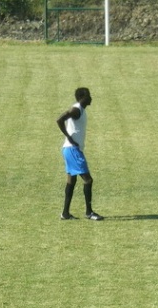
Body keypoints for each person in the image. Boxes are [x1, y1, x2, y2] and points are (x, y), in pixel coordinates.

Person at [56, 87, 104, 221]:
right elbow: (59, 119)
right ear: (82, 98)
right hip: (72, 150)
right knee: (88, 180)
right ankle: (89, 212)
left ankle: (65, 213)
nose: (91, 98)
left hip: (70, 149)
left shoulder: (80, 110)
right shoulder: (76, 110)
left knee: (71, 181)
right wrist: (69, 137)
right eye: (89, 96)